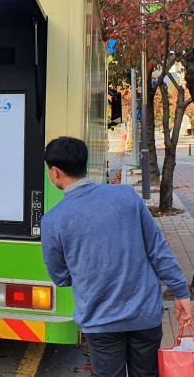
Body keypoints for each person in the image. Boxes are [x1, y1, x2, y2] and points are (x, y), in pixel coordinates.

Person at [41, 136, 192, 377]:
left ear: (55, 172)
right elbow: (157, 249)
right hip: (145, 314)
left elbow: (60, 276)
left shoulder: (53, 221)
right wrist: (181, 292)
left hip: (100, 320)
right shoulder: (127, 196)